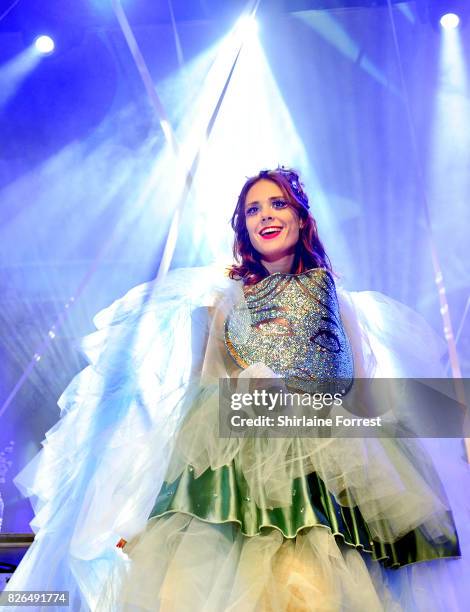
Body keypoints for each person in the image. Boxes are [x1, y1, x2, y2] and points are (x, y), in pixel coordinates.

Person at [5, 168, 469, 611]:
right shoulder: (222, 299)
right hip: (242, 474)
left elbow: (364, 391)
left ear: (301, 217)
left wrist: (450, 421)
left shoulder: (335, 296)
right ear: (242, 228)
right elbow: (200, 398)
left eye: (277, 203)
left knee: (318, 592)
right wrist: (150, 509)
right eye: (253, 210)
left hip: (327, 473)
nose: (265, 215)